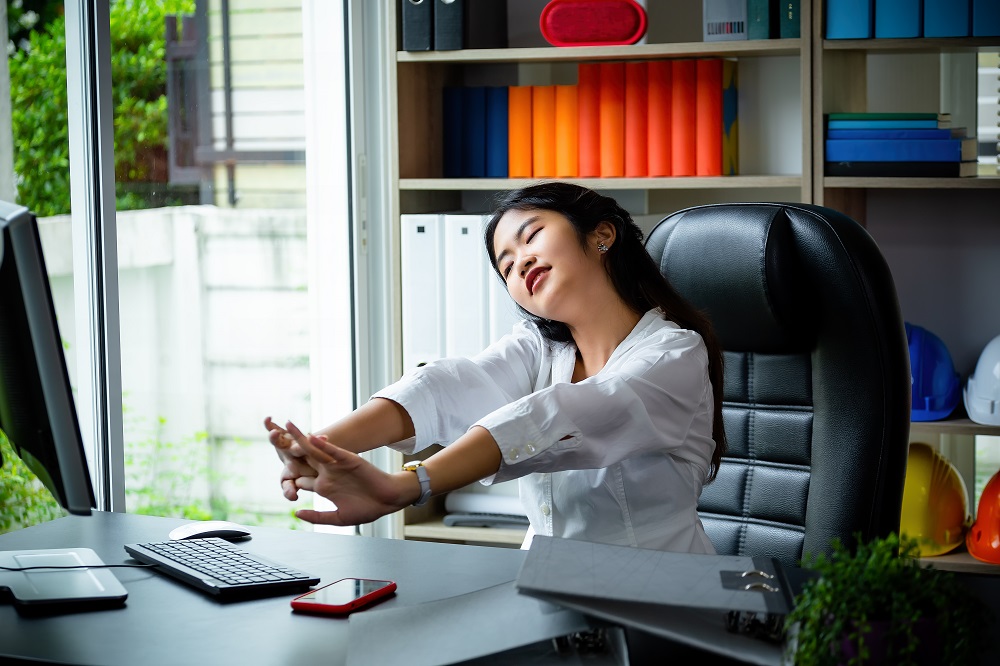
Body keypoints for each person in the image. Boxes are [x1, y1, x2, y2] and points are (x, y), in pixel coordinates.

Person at [265, 182, 727, 554]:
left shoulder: (675, 354)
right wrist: (319, 447)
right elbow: (446, 387)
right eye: (505, 266)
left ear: (601, 234)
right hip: (548, 591)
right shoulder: (540, 349)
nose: (520, 261)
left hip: (662, 597)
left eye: (531, 236)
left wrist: (406, 485)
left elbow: (560, 414)